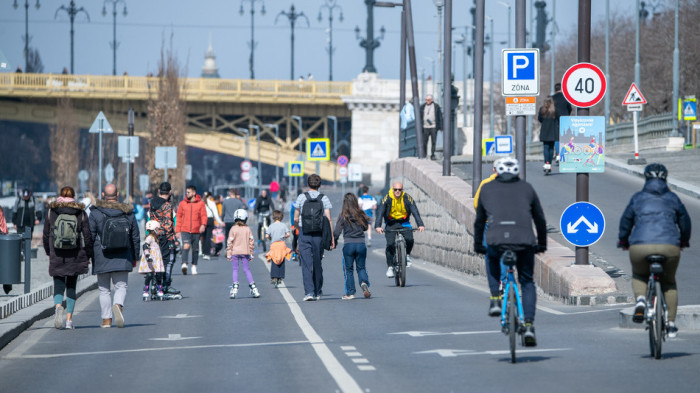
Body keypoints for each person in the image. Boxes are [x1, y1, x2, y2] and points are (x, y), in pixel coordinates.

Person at [473, 157, 547, 347]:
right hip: (523, 241)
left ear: (496, 172)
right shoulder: (527, 188)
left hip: (497, 239)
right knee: (527, 281)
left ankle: (495, 299)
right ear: (517, 173)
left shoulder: (487, 188)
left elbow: (480, 221)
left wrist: (478, 245)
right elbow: (539, 219)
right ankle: (529, 325)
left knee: (491, 259)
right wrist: (542, 244)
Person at [618, 163, 691, 338]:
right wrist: (683, 241)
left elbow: (626, 221)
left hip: (640, 246)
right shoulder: (673, 198)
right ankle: (671, 324)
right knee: (669, 282)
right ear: (665, 178)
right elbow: (685, 222)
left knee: (639, 275)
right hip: (670, 246)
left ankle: (641, 300)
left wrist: (623, 240)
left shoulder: (637, 198)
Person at [89, 184, 140, 328]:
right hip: (123, 255)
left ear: (103, 195)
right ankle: (118, 305)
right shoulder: (128, 213)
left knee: (104, 289)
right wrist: (135, 256)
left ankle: (106, 320)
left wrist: (89, 255)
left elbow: (89, 237)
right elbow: (135, 237)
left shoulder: (96, 213)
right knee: (121, 286)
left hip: (102, 255)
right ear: (118, 194)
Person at [43, 186, 93, 329]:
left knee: (58, 285)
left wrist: (49, 252)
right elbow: (87, 236)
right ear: (74, 196)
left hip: (57, 253)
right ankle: (69, 321)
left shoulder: (51, 212)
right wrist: (88, 254)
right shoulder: (80, 212)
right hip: (75, 254)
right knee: (71, 287)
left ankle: (58, 306)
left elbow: (46, 235)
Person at [294, 174, 334, 301]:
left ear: (308, 184)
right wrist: (331, 237)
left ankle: (309, 293)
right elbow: (328, 219)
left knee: (306, 264)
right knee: (317, 262)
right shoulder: (324, 198)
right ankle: (317, 291)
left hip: (304, 233)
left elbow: (295, 217)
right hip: (319, 234)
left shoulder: (301, 197)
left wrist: (298, 227)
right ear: (320, 185)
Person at [375, 182, 425, 278]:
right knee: (390, 244)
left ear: (402, 190)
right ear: (393, 189)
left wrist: (420, 224)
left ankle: (407, 256)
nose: (397, 191)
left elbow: (415, 211)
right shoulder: (387, 198)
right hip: (391, 223)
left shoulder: (407, 198)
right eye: (395, 189)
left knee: (410, 239)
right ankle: (390, 267)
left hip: (404, 222)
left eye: (399, 190)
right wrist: (378, 226)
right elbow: (380, 212)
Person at [474, 166, 507, 292]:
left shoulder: (485, 183)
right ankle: (504, 281)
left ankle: (496, 280)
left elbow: (477, 203)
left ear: (494, 169)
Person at [335, 193, 371, 300]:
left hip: (348, 245)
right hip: (361, 245)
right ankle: (364, 283)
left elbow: (336, 232)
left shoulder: (343, 216)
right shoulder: (361, 214)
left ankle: (350, 293)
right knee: (361, 267)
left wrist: (333, 242)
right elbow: (365, 228)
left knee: (349, 270)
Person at [149, 182, 180, 298]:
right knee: (168, 260)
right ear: (170, 192)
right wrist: (172, 238)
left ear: (159, 191)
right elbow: (167, 224)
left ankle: (154, 285)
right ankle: (165, 285)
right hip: (165, 238)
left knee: (156, 261)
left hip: (154, 235)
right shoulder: (166, 205)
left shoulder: (152, 202)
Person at [226, 209, 260, 299]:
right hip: (245, 252)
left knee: (235, 269)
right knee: (246, 269)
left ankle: (235, 288)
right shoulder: (247, 229)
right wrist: (251, 253)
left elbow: (229, 242)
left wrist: (228, 253)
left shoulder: (233, 229)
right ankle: (253, 287)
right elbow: (251, 241)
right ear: (245, 218)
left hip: (235, 252)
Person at [176, 185, 207, 276]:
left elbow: (203, 216)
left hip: (196, 230)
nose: (187, 194)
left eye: (188, 192)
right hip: (185, 229)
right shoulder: (182, 203)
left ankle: (194, 266)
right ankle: (184, 264)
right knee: (186, 246)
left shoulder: (201, 203)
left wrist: (203, 225)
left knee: (195, 249)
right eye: (186, 192)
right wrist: (177, 230)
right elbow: (179, 217)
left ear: (194, 193)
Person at [138, 220, 165, 300]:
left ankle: (158, 289)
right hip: (151, 260)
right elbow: (145, 246)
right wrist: (147, 256)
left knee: (158, 275)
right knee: (149, 275)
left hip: (156, 260)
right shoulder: (150, 237)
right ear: (154, 229)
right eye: (157, 229)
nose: (158, 231)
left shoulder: (156, 237)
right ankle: (146, 290)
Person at [265, 210, 291, 287]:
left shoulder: (271, 226)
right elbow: (288, 234)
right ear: (281, 217)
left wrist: (270, 237)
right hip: (282, 245)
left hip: (274, 245)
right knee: (281, 260)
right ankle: (280, 277)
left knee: (274, 260)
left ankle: (274, 277)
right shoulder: (283, 225)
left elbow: (267, 236)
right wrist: (284, 237)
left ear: (273, 217)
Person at [538, 96, 559, 175]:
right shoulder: (554, 110)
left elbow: (540, 119)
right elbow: (558, 119)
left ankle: (546, 163)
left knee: (545, 147)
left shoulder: (542, 109)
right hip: (553, 131)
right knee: (551, 148)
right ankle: (549, 163)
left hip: (544, 131)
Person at [551, 83, 572, 163]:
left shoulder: (552, 98)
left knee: (557, 138)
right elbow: (569, 108)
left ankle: (558, 154)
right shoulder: (565, 97)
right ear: (561, 89)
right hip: (565, 118)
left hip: (555, 119)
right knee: (565, 137)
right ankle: (565, 153)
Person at [420, 94, 443, 160]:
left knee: (433, 142)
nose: (427, 101)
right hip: (425, 127)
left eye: (429, 100)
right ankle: (424, 154)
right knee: (424, 142)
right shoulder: (422, 107)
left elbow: (440, 117)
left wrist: (441, 127)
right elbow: (420, 116)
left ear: (432, 100)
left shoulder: (436, 106)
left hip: (433, 126)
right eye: (426, 100)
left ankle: (432, 155)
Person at [202, 191, 223, 260]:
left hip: (202, 220)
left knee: (203, 237)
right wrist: (220, 222)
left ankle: (203, 252)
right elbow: (216, 214)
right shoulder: (212, 203)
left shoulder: (201, 203)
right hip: (210, 220)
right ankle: (207, 254)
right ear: (210, 196)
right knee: (208, 237)